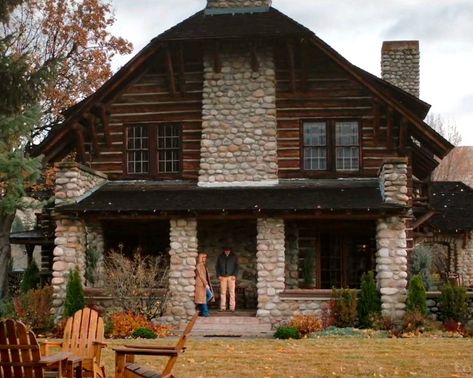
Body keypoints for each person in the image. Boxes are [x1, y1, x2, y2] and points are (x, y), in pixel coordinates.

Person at [215, 247, 239, 312]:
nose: (227, 251)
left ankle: (232, 307)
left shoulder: (234, 256)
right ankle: (223, 307)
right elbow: (217, 267)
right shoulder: (220, 256)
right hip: (223, 277)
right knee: (223, 292)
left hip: (231, 277)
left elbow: (237, 266)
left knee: (232, 292)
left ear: (230, 251)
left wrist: (234, 275)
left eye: (228, 250)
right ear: (224, 251)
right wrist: (219, 275)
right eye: (226, 250)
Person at [195, 252, 214, 317]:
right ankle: (205, 312)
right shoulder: (199, 265)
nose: (204, 258)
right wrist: (206, 284)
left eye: (205, 257)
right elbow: (201, 275)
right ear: (200, 258)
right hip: (201, 283)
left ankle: (202, 311)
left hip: (203, 283)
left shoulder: (203, 265)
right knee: (209, 295)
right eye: (203, 257)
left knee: (204, 298)